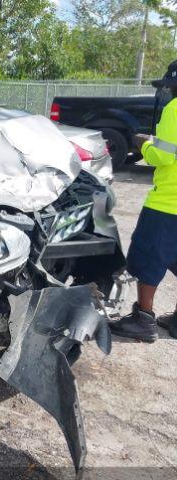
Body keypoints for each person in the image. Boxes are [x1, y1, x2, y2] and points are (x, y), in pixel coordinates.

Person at [110, 61, 177, 342]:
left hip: (168, 204)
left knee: (148, 257)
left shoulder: (175, 110)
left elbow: (164, 155)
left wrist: (144, 144)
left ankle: (143, 319)